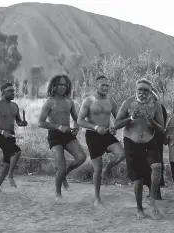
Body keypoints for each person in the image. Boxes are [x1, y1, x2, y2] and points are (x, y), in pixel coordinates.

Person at [114, 78, 165, 220]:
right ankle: (139, 208)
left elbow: (161, 128)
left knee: (157, 166)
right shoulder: (128, 103)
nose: (142, 92)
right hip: (131, 142)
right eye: (140, 89)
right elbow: (116, 124)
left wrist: (152, 121)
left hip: (149, 141)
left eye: (145, 90)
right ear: (136, 90)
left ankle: (152, 200)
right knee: (138, 180)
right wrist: (131, 118)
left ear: (150, 91)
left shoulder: (156, 106)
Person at [77, 75, 125, 206]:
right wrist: (96, 127)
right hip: (93, 135)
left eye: (107, 85)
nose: (105, 88)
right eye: (103, 85)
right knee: (97, 168)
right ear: (96, 86)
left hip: (106, 134)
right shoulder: (89, 101)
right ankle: (97, 197)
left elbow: (118, 119)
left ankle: (108, 168)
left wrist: (115, 128)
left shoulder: (111, 101)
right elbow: (80, 121)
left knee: (122, 154)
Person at [38, 74, 87, 200]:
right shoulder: (49, 101)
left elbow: (77, 119)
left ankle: (64, 174)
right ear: (54, 85)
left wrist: (76, 128)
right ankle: (58, 193)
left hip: (68, 134)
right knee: (61, 165)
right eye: (60, 84)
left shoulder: (69, 101)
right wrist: (59, 127)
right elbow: (41, 123)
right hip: (55, 136)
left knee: (81, 157)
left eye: (65, 84)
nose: (63, 87)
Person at [0, 83, 28, 192]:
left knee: (6, 163)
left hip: (11, 135)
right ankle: (10, 176)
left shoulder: (15, 106)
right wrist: (2, 132)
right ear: (3, 92)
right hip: (0, 135)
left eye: (13, 91)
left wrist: (23, 123)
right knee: (17, 152)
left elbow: (18, 121)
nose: (13, 93)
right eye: (10, 91)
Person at [145, 89, 168, 200]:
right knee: (152, 165)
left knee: (155, 164)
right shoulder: (152, 106)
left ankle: (155, 192)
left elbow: (161, 125)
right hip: (149, 138)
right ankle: (153, 191)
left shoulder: (158, 107)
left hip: (155, 138)